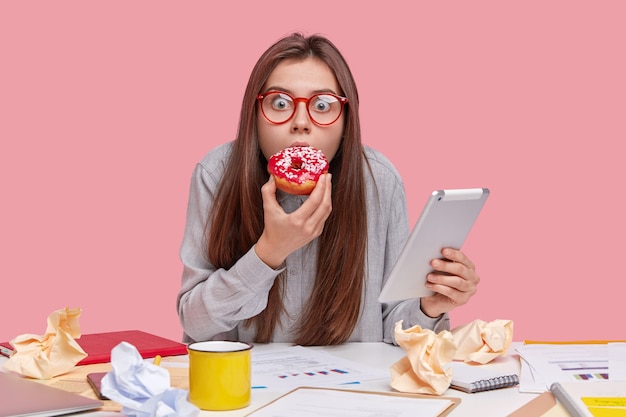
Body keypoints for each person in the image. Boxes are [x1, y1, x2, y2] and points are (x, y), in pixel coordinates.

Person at [176, 32, 480, 346]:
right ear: (254, 114)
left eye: (323, 105)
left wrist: (431, 305)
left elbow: (393, 329)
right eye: (280, 103)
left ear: (347, 119)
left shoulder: (379, 180)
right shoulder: (216, 174)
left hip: (354, 389)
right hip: (245, 387)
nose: (301, 122)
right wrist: (269, 252)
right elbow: (196, 324)